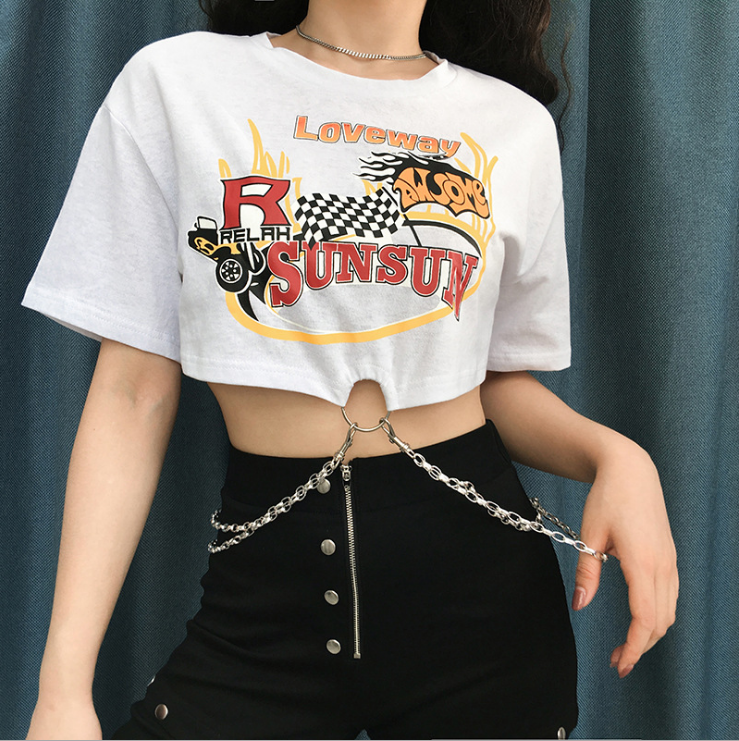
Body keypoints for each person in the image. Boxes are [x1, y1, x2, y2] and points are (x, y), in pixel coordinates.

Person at [23, 0, 678, 739]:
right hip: (261, 606)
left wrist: (617, 456)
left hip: (484, 614)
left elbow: (490, 384)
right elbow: (131, 392)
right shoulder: (177, 84)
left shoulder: (512, 125)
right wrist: (61, 691)